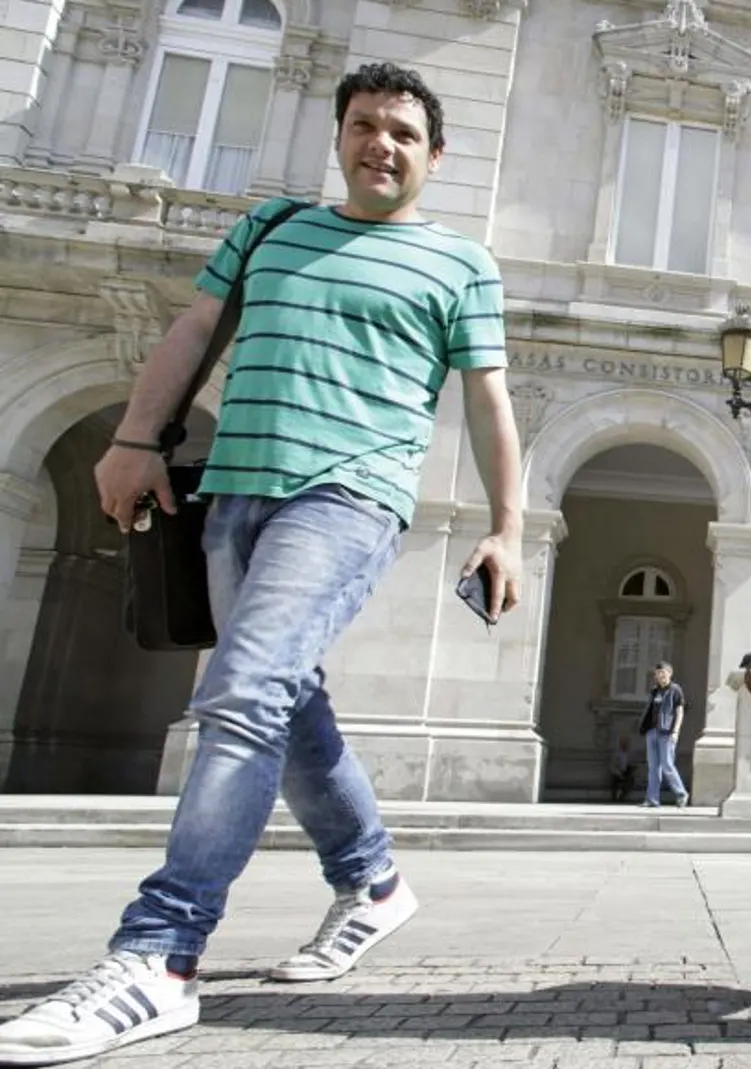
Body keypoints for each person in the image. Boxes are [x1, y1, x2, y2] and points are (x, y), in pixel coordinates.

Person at [0, 63, 524, 1065]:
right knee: (283, 700)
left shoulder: (460, 264)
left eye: (405, 133)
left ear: (435, 156)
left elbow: (491, 400)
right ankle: (373, 882)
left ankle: (160, 954)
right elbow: (195, 328)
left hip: (351, 496)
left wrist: (506, 525)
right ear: (340, 136)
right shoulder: (271, 229)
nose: (383, 144)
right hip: (235, 488)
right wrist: (134, 436)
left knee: (240, 696)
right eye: (366, 125)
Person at [641, 662, 689, 808]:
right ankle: (652, 799)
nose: (660, 675)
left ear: (670, 673)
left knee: (667, 764)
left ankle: (681, 793)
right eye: (657, 673)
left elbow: (680, 712)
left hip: (666, 732)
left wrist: (676, 731)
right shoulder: (654, 691)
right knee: (653, 767)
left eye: (662, 672)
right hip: (652, 732)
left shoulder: (675, 690)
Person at [609, 733, 636, 803]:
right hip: (618, 773)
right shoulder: (616, 753)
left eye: (626, 743)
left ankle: (622, 795)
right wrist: (619, 773)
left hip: (626, 772)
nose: (625, 745)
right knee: (614, 782)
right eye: (624, 743)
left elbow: (632, 764)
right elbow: (612, 766)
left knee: (630, 781)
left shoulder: (630, 753)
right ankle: (615, 796)